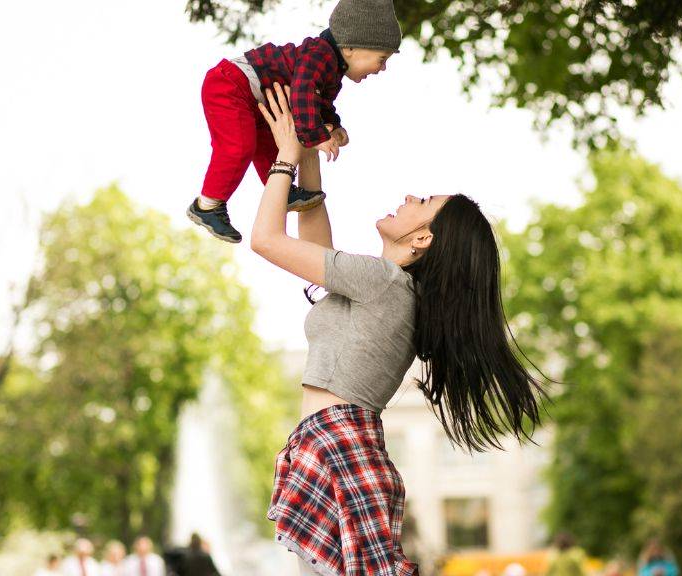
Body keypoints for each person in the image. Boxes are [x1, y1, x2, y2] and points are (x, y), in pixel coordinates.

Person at [251, 85, 546, 575]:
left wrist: (284, 156)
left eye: (423, 201)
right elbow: (314, 245)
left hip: (340, 445)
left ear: (423, 237)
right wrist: (308, 151)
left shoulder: (382, 283)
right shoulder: (389, 291)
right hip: (337, 445)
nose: (409, 196)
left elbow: (265, 239)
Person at [187, 0, 401, 243]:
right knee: (239, 147)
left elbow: (321, 103)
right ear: (351, 47)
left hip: (258, 102)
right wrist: (317, 136)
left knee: (271, 148)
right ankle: (207, 204)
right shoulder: (319, 53)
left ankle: (284, 191)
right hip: (231, 86)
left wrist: (335, 126)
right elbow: (303, 92)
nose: (382, 68)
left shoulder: (332, 68)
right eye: (381, 59)